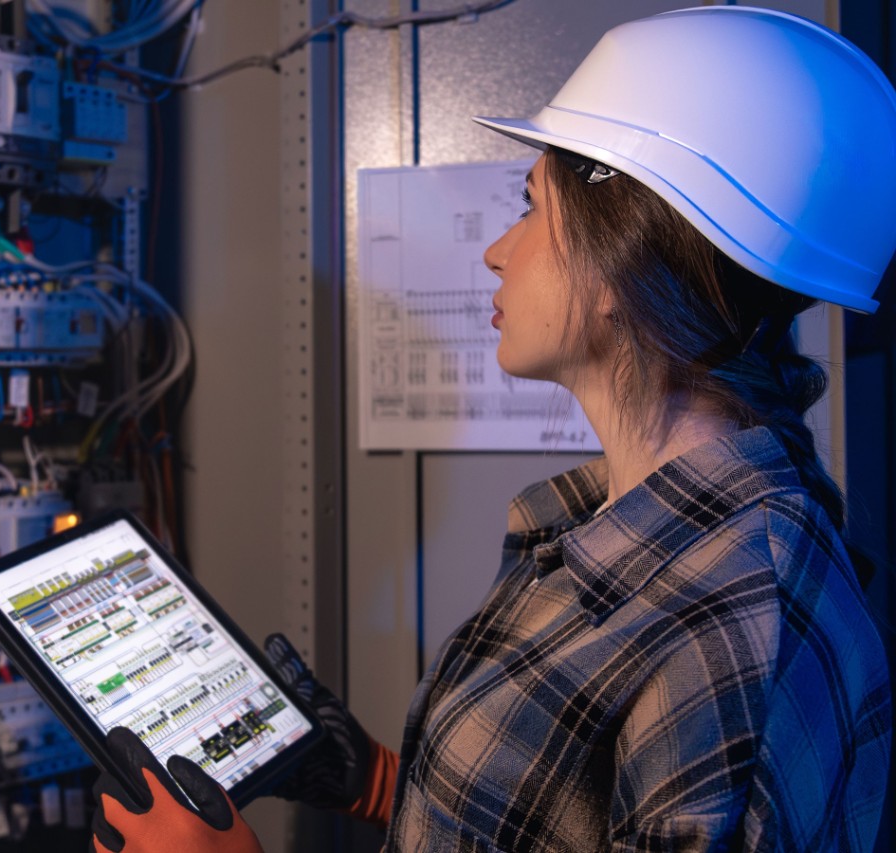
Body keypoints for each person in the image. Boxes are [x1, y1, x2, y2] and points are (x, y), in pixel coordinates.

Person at [88, 7, 895, 851]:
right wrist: (375, 784)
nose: (497, 251)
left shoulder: (735, 624)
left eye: (531, 206)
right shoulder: (624, 527)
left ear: (624, 259)